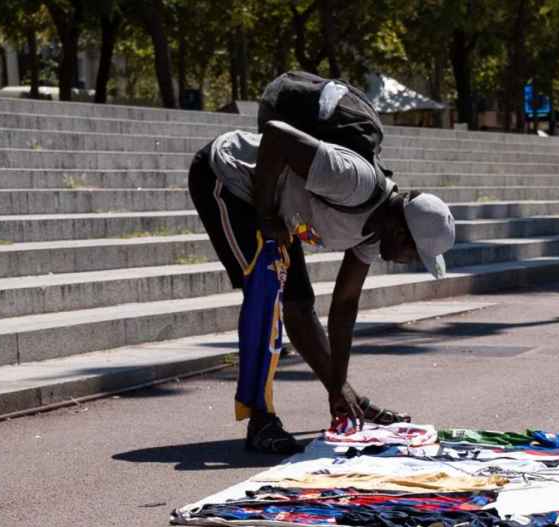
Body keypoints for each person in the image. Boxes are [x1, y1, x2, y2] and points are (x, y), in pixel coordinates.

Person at [187, 119, 455, 454]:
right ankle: (260, 420)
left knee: (299, 304)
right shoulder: (353, 181)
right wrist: (267, 215)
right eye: (414, 254)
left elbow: (344, 305)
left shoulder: (375, 234)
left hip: (277, 208)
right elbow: (277, 135)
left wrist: (338, 384)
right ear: (402, 233)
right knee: (265, 295)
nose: (408, 261)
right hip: (227, 177)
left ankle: (348, 400)